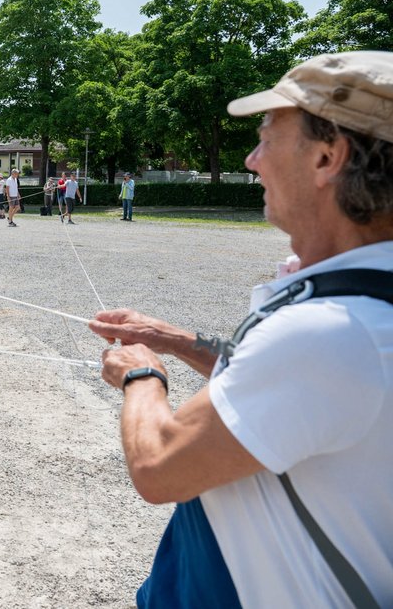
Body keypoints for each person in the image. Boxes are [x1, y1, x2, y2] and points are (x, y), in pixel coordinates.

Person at [88, 50, 393, 608]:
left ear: (328, 157)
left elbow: (159, 466)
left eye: (267, 138)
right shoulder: (365, 300)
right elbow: (282, 380)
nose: (252, 161)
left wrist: (141, 377)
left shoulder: (333, 333)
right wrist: (175, 340)